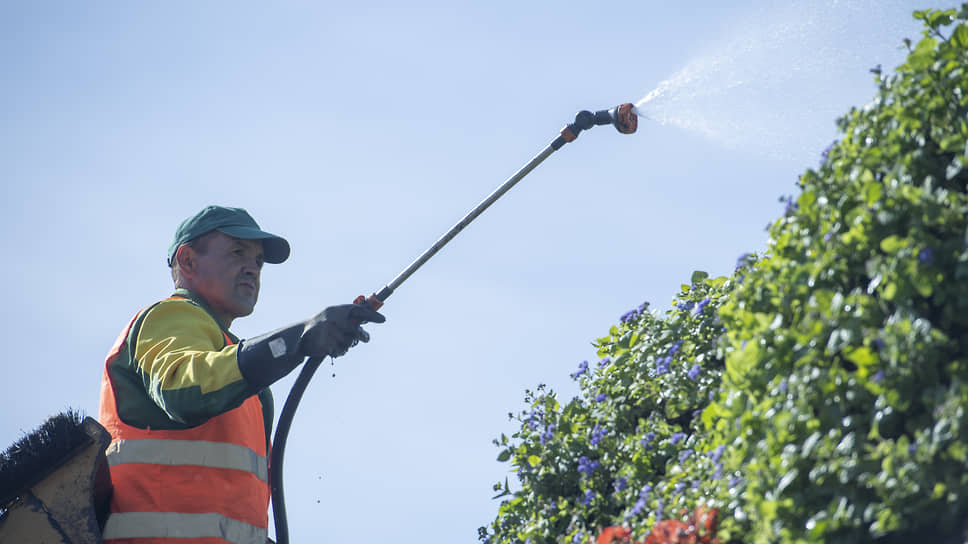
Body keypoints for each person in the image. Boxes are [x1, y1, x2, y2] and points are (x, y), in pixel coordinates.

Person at [97, 205, 385, 543]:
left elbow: (226, 507)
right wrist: (296, 338)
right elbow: (184, 390)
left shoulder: (240, 378)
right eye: (237, 253)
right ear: (187, 261)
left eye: (259, 262)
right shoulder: (168, 316)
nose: (253, 269)